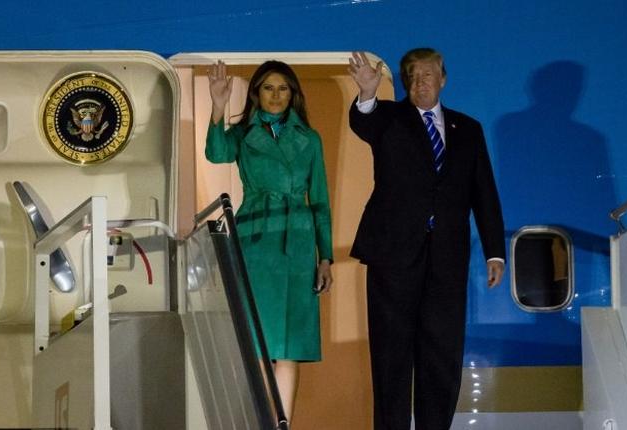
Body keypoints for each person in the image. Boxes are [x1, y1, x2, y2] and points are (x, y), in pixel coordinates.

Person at [346, 49, 506, 430]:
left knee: (442, 355)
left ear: (443, 79)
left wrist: (495, 252)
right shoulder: (388, 118)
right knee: (391, 357)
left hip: (447, 259)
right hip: (393, 257)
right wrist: (367, 93)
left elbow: (483, 192)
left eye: (429, 75)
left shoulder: (468, 129)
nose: (421, 82)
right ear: (405, 82)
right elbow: (362, 121)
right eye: (413, 77)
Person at [206, 59, 334, 423]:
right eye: (268, 88)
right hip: (255, 243)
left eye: (283, 88)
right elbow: (216, 153)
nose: (276, 95)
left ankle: (282, 424)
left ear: (293, 94)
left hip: (296, 245)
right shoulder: (244, 135)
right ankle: (258, 420)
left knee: (288, 347)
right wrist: (218, 106)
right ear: (256, 94)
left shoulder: (309, 139)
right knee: (260, 345)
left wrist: (325, 257)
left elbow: (320, 200)